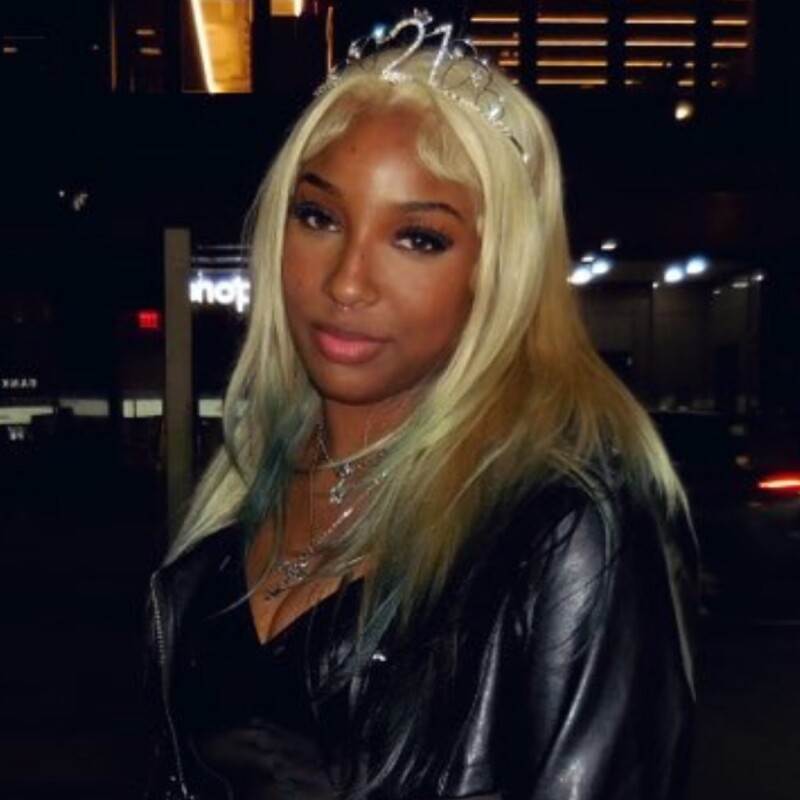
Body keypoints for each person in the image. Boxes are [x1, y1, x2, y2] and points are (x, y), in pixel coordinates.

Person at [145, 11, 697, 800]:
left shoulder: (563, 530)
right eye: (319, 217)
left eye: (419, 238)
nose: (347, 282)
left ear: (495, 271)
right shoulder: (223, 537)